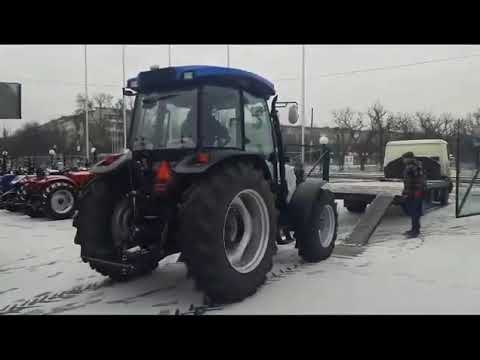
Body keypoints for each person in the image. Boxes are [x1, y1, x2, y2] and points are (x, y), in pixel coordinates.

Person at [402, 152, 426, 238]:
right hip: (418, 191)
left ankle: (415, 230)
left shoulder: (411, 167)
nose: (403, 160)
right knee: (415, 211)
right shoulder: (418, 166)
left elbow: (409, 182)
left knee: (413, 211)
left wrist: (406, 193)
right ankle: (415, 229)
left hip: (414, 192)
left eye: (404, 158)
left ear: (409, 158)